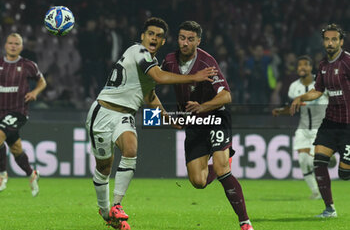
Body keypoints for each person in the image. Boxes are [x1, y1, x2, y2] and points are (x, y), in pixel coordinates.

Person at [85, 17, 216, 230]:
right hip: (103, 112)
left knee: (130, 148)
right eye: (151, 34)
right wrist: (195, 77)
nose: (154, 38)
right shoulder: (138, 51)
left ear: (163, 42)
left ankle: (117, 205)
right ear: (143, 37)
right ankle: (104, 210)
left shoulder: (152, 63)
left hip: (126, 115)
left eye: (159, 36)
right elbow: (160, 77)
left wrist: (167, 118)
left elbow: (150, 95)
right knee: (103, 167)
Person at [162, 21, 254, 230]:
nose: (185, 43)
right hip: (194, 121)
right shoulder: (168, 61)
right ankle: (225, 159)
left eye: (190, 39)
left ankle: (245, 223)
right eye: (182, 38)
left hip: (216, 117)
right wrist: (166, 115)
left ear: (198, 41)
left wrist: (203, 107)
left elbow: (226, 96)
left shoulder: (206, 63)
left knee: (222, 170)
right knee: (198, 181)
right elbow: (157, 81)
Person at [291, 23, 350, 218]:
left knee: (344, 174)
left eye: (334, 39)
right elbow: (318, 90)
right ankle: (329, 209)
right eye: (327, 39)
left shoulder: (348, 61)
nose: (330, 43)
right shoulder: (323, 64)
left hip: (348, 125)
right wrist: (301, 97)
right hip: (331, 121)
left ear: (341, 41)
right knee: (319, 161)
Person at [272, 55, 327, 199]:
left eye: (305, 64)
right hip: (303, 128)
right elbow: (293, 107)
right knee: (303, 160)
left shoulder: (321, 83)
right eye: (299, 65)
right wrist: (281, 111)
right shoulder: (294, 87)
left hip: (319, 128)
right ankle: (316, 192)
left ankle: (328, 158)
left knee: (310, 160)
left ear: (310, 67)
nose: (302, 67)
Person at [0, 33, 46, 196]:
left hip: (18, 111)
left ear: (21, 47)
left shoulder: (28, 65)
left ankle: (2, 175)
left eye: (16, 43)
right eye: (10, 43)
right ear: (5, 45)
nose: (13, 46)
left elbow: (42, 81)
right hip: (1, 112)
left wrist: (35, 92)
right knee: (16, 148)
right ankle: (31, 174)